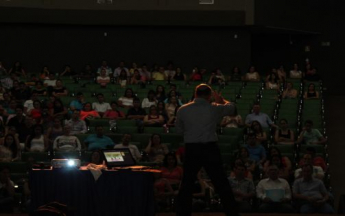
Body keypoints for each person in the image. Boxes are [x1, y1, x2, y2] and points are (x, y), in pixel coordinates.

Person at [175, 84, 239, 216]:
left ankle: (182, 214)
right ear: (209, 96)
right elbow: (233, 109)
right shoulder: (214, 108)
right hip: (210, 147)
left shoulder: (182, 110)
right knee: (221, 182)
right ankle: (232, 213)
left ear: (195, 93)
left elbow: (179, 130)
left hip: (192, 148)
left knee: (187, 183)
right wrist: (221, 100)